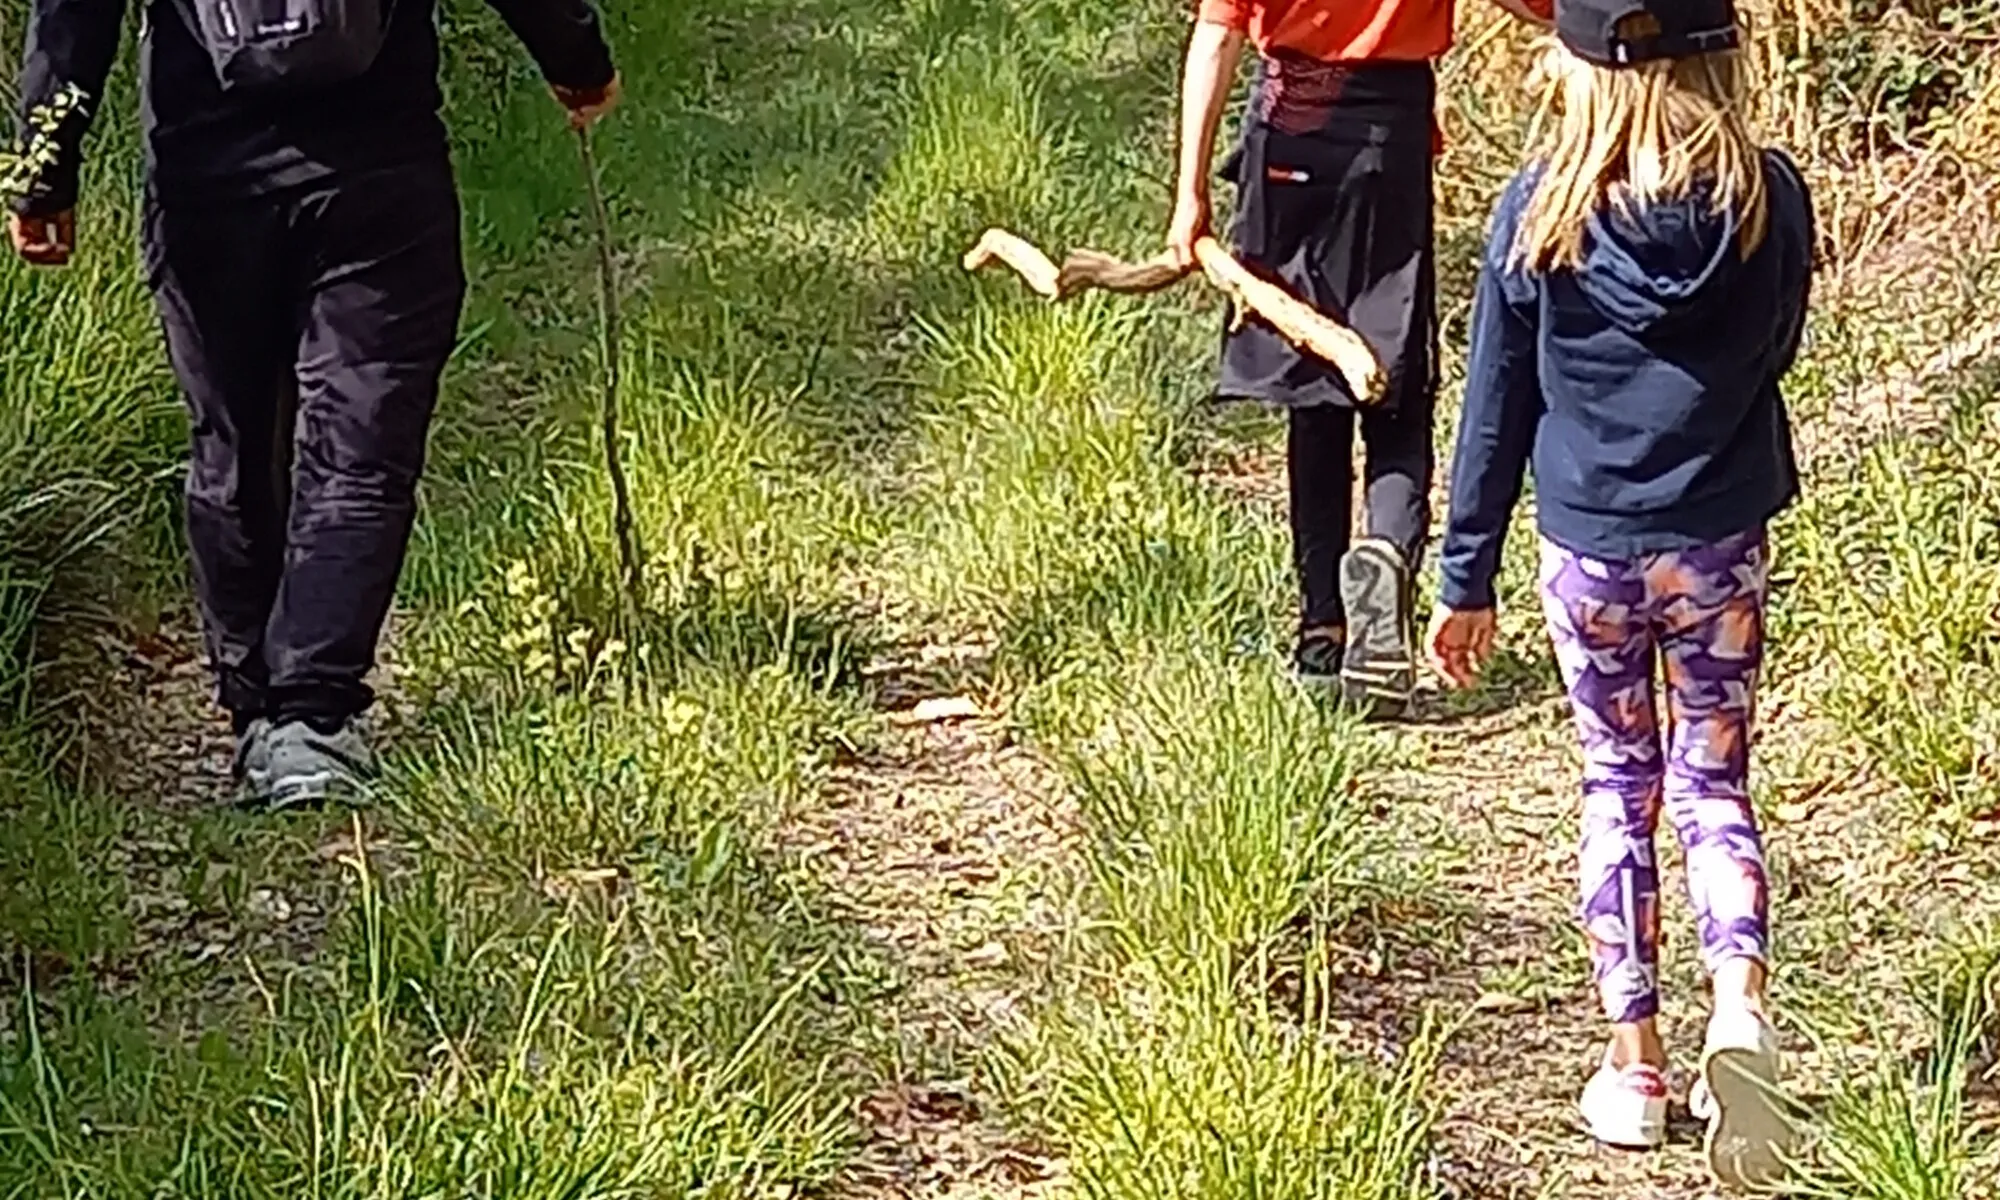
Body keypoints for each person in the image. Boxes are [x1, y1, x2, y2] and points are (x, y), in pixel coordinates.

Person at [10, 0, 620, 809]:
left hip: (207, 179)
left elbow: (73, 13)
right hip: (379, 173)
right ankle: (311, 720)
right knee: (361, 446)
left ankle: (259, 708)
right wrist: (577, 59)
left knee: (230, 443)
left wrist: (42, 172)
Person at [1425, 0, 1813, 1185]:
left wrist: (1463, 574)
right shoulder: (1769, 199)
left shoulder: (1536, 212)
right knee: (1710, 780)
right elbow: (1777, 346)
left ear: (1577, 68)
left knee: (1614, 781)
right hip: (1716, 542)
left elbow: (1495, 406)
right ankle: (1736, 1015)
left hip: (1587, 549)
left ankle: (1633, 1063)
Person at [1167, 0, 1550, 714]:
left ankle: (1321, 634)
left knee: (1313, 387)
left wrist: (1189, 195)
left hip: (1286, 137)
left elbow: (1215, 34)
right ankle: (1386, 564)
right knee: (1395, 391)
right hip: (1386, 138)